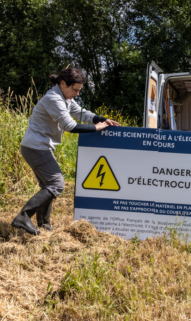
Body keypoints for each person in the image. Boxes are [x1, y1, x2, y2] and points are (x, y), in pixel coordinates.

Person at [12, 67, 120, 235]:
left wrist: (103, 119)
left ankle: (43, 225)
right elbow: (70, 126)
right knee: (56, 184)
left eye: (79, 90)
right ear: (63, 84)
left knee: (48, 186)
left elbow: (82, 114)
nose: (77, 94)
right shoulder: (53, 99)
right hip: (36, 147)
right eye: (75, 90)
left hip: (38, 147)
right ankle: (23, 216)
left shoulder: (65, 97)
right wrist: (96, 128)